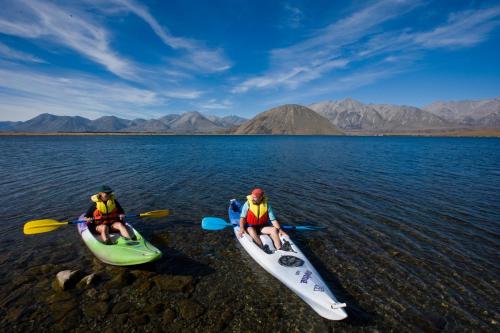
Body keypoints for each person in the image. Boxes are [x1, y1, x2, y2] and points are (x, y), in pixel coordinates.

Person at [237, 188, 288, 253]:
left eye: (255, 197)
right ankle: (262, 247)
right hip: (251, 227)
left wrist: (280, 230)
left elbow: (273, 220)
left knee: (274, 230)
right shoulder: (247, 204)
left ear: (261, 197)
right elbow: (242, 217)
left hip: (262, 227)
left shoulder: (267, 205)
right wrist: (241, 228)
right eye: (252, 196)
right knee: (251, 230)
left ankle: (279, 249)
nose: (252, 198)